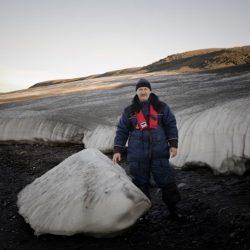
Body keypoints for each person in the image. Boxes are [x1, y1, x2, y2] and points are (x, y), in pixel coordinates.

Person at [113, 78, 183, 220]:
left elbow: (170, 125)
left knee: (167, 181)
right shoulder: (129, 111)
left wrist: (173, 145)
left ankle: (173, 211)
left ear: (150, 91)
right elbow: (122, 131)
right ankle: (142, 215)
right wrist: (117, 150)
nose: (143, 91)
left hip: (159, 153)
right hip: (137, 155)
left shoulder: (162, 107)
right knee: (140, 184)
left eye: (145, 89)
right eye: (140, 89)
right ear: (136, 92)